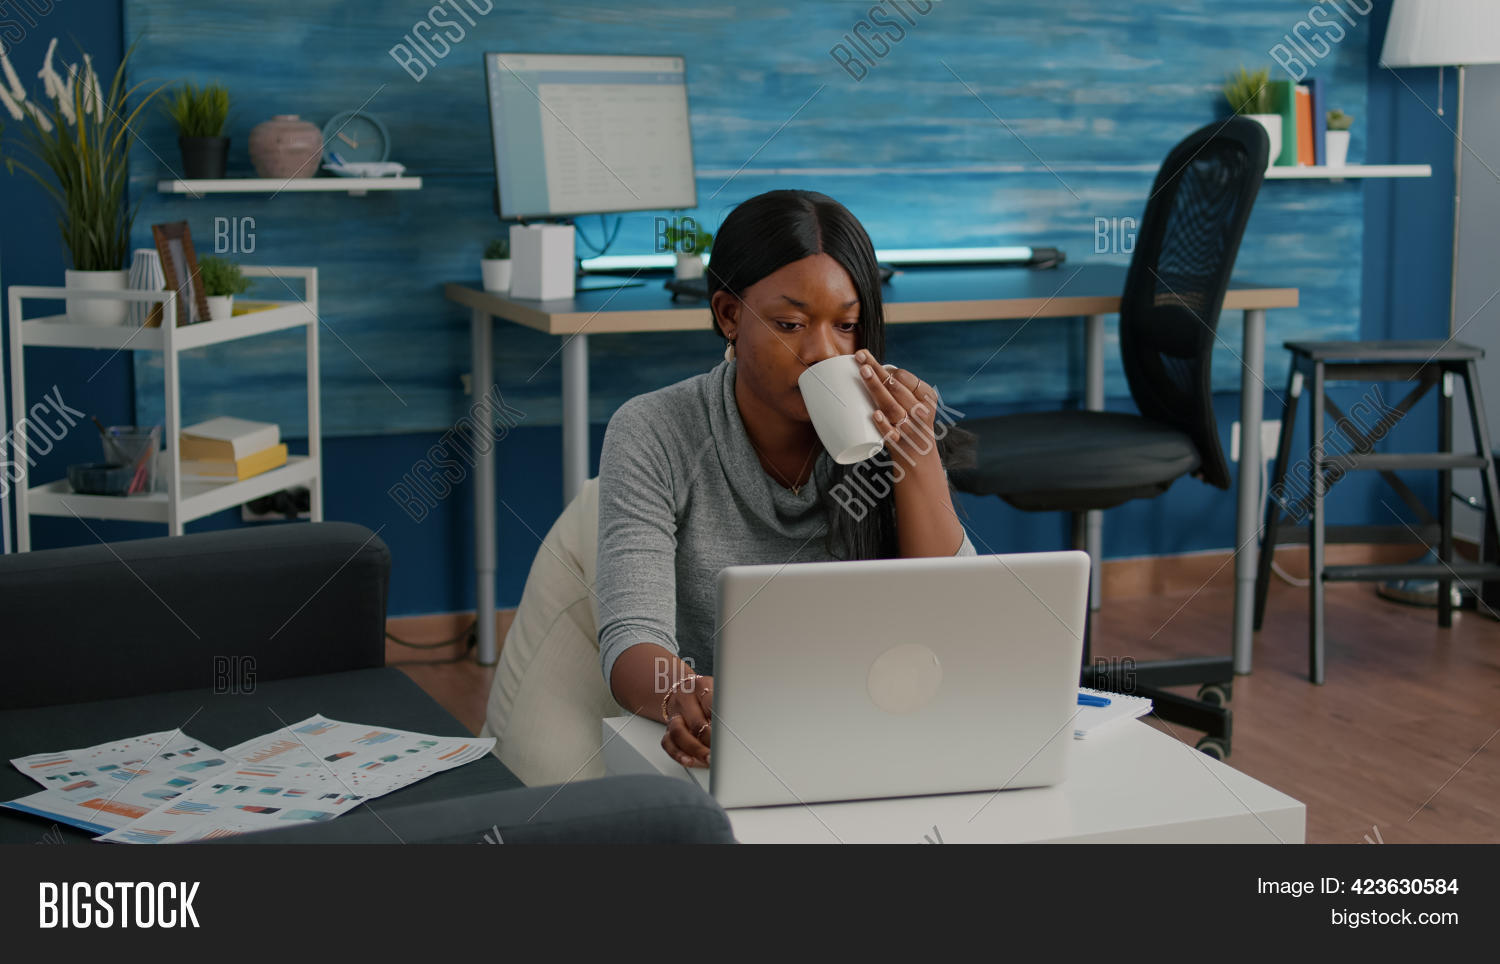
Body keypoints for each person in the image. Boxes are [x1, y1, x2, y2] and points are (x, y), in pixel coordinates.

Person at [596, 188, 978, 770]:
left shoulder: (890, 426)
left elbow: (955, 621)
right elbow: (632, 639)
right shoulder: (653, 431)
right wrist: (686, 697)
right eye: (790, 323)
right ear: (729, 315)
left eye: (847, 325)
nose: (822, 353)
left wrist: (915, 456)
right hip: (738, 739)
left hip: (878, 725)